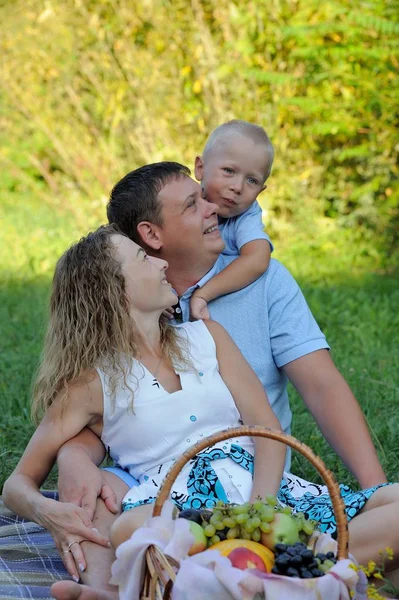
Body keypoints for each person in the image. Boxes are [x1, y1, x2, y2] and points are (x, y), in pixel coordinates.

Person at [3, 225, 399, 600]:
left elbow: (268, 429)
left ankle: (258, 579)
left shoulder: (208, 336)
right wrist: (48, 511)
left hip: (269, 498)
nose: (161, 263)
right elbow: (18, 484)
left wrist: (258, 517)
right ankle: (303, 577)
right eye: (143, 258)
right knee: (127, 526)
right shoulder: (91, 383)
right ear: (113, 290)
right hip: (185, 519)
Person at [189, 120, 274, 320]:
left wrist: (205, 293)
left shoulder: (245, 215)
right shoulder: (185, 203)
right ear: (200, 168)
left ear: (260, 191)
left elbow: (258, 258)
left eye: (252, 180)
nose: (237, 187)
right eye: (229, 171)